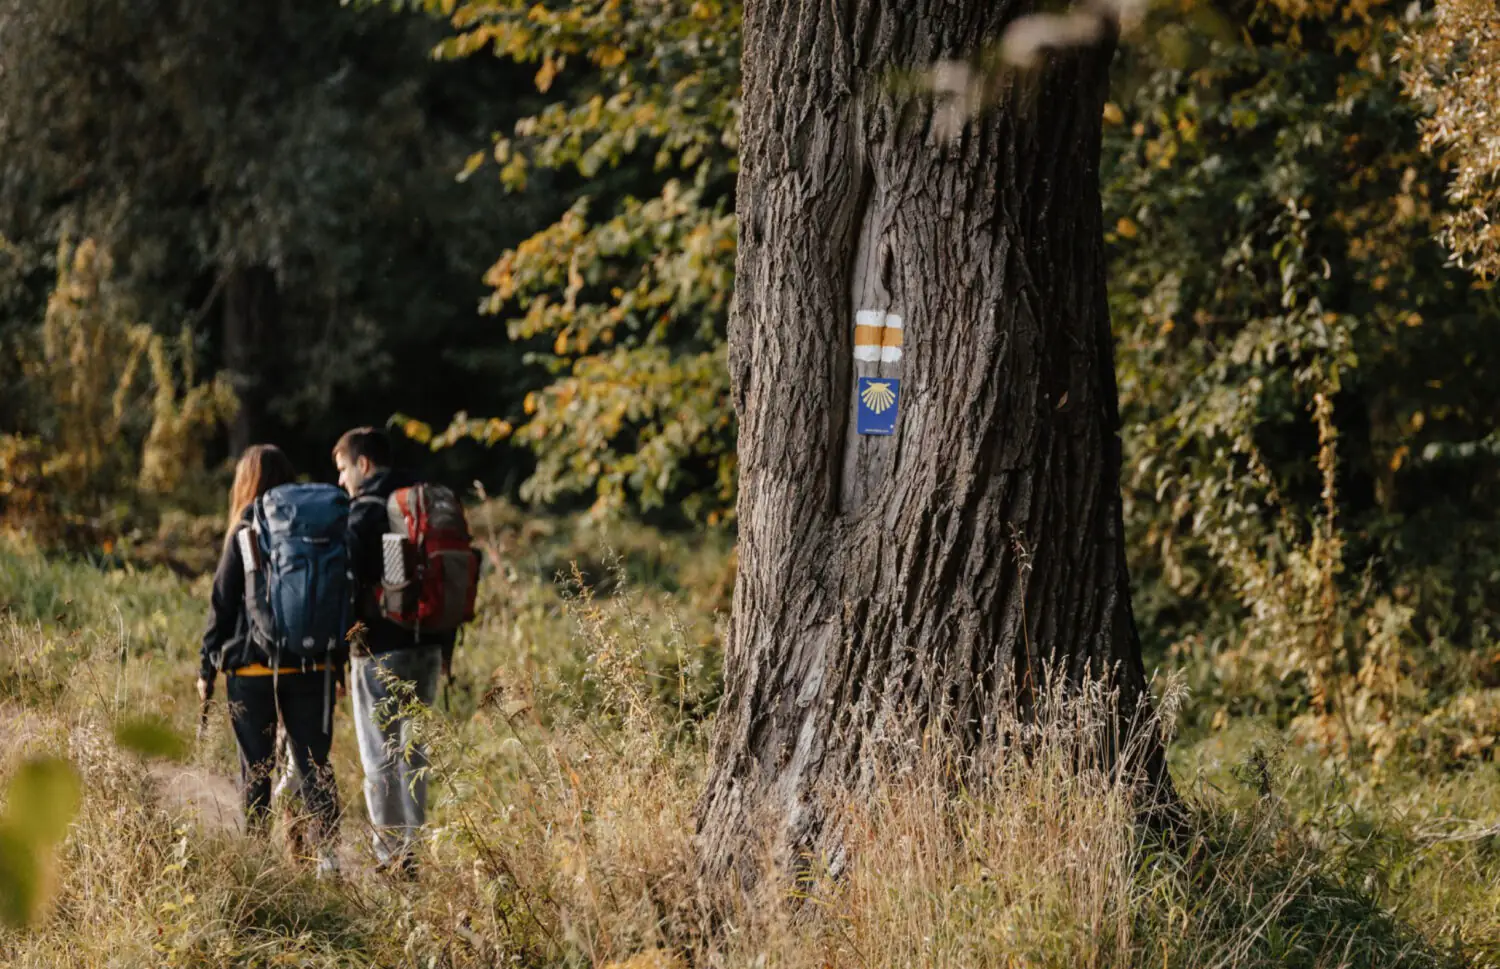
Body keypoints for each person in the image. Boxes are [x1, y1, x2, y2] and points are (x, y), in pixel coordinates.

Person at [198, 444, 343, 877]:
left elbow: (222, 602)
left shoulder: (246, 527)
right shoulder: (314, 529)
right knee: (315, 764)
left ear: (247, 481)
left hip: (251, 667)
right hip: (312, 663)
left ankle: (261, 866)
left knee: (256, 769)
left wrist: (206, 666)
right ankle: (329, 862)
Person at [335, 426, 455, 876]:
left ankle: (391, 861)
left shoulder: (363, 512)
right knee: (413, 754)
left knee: (378, 758)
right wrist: (446, 645)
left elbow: (347, 587)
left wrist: (339, 649)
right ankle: (413, 851)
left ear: (363, 464)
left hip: (378, 652)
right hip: (427, 647)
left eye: (344, 469)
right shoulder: (423, 503)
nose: (342, 481)